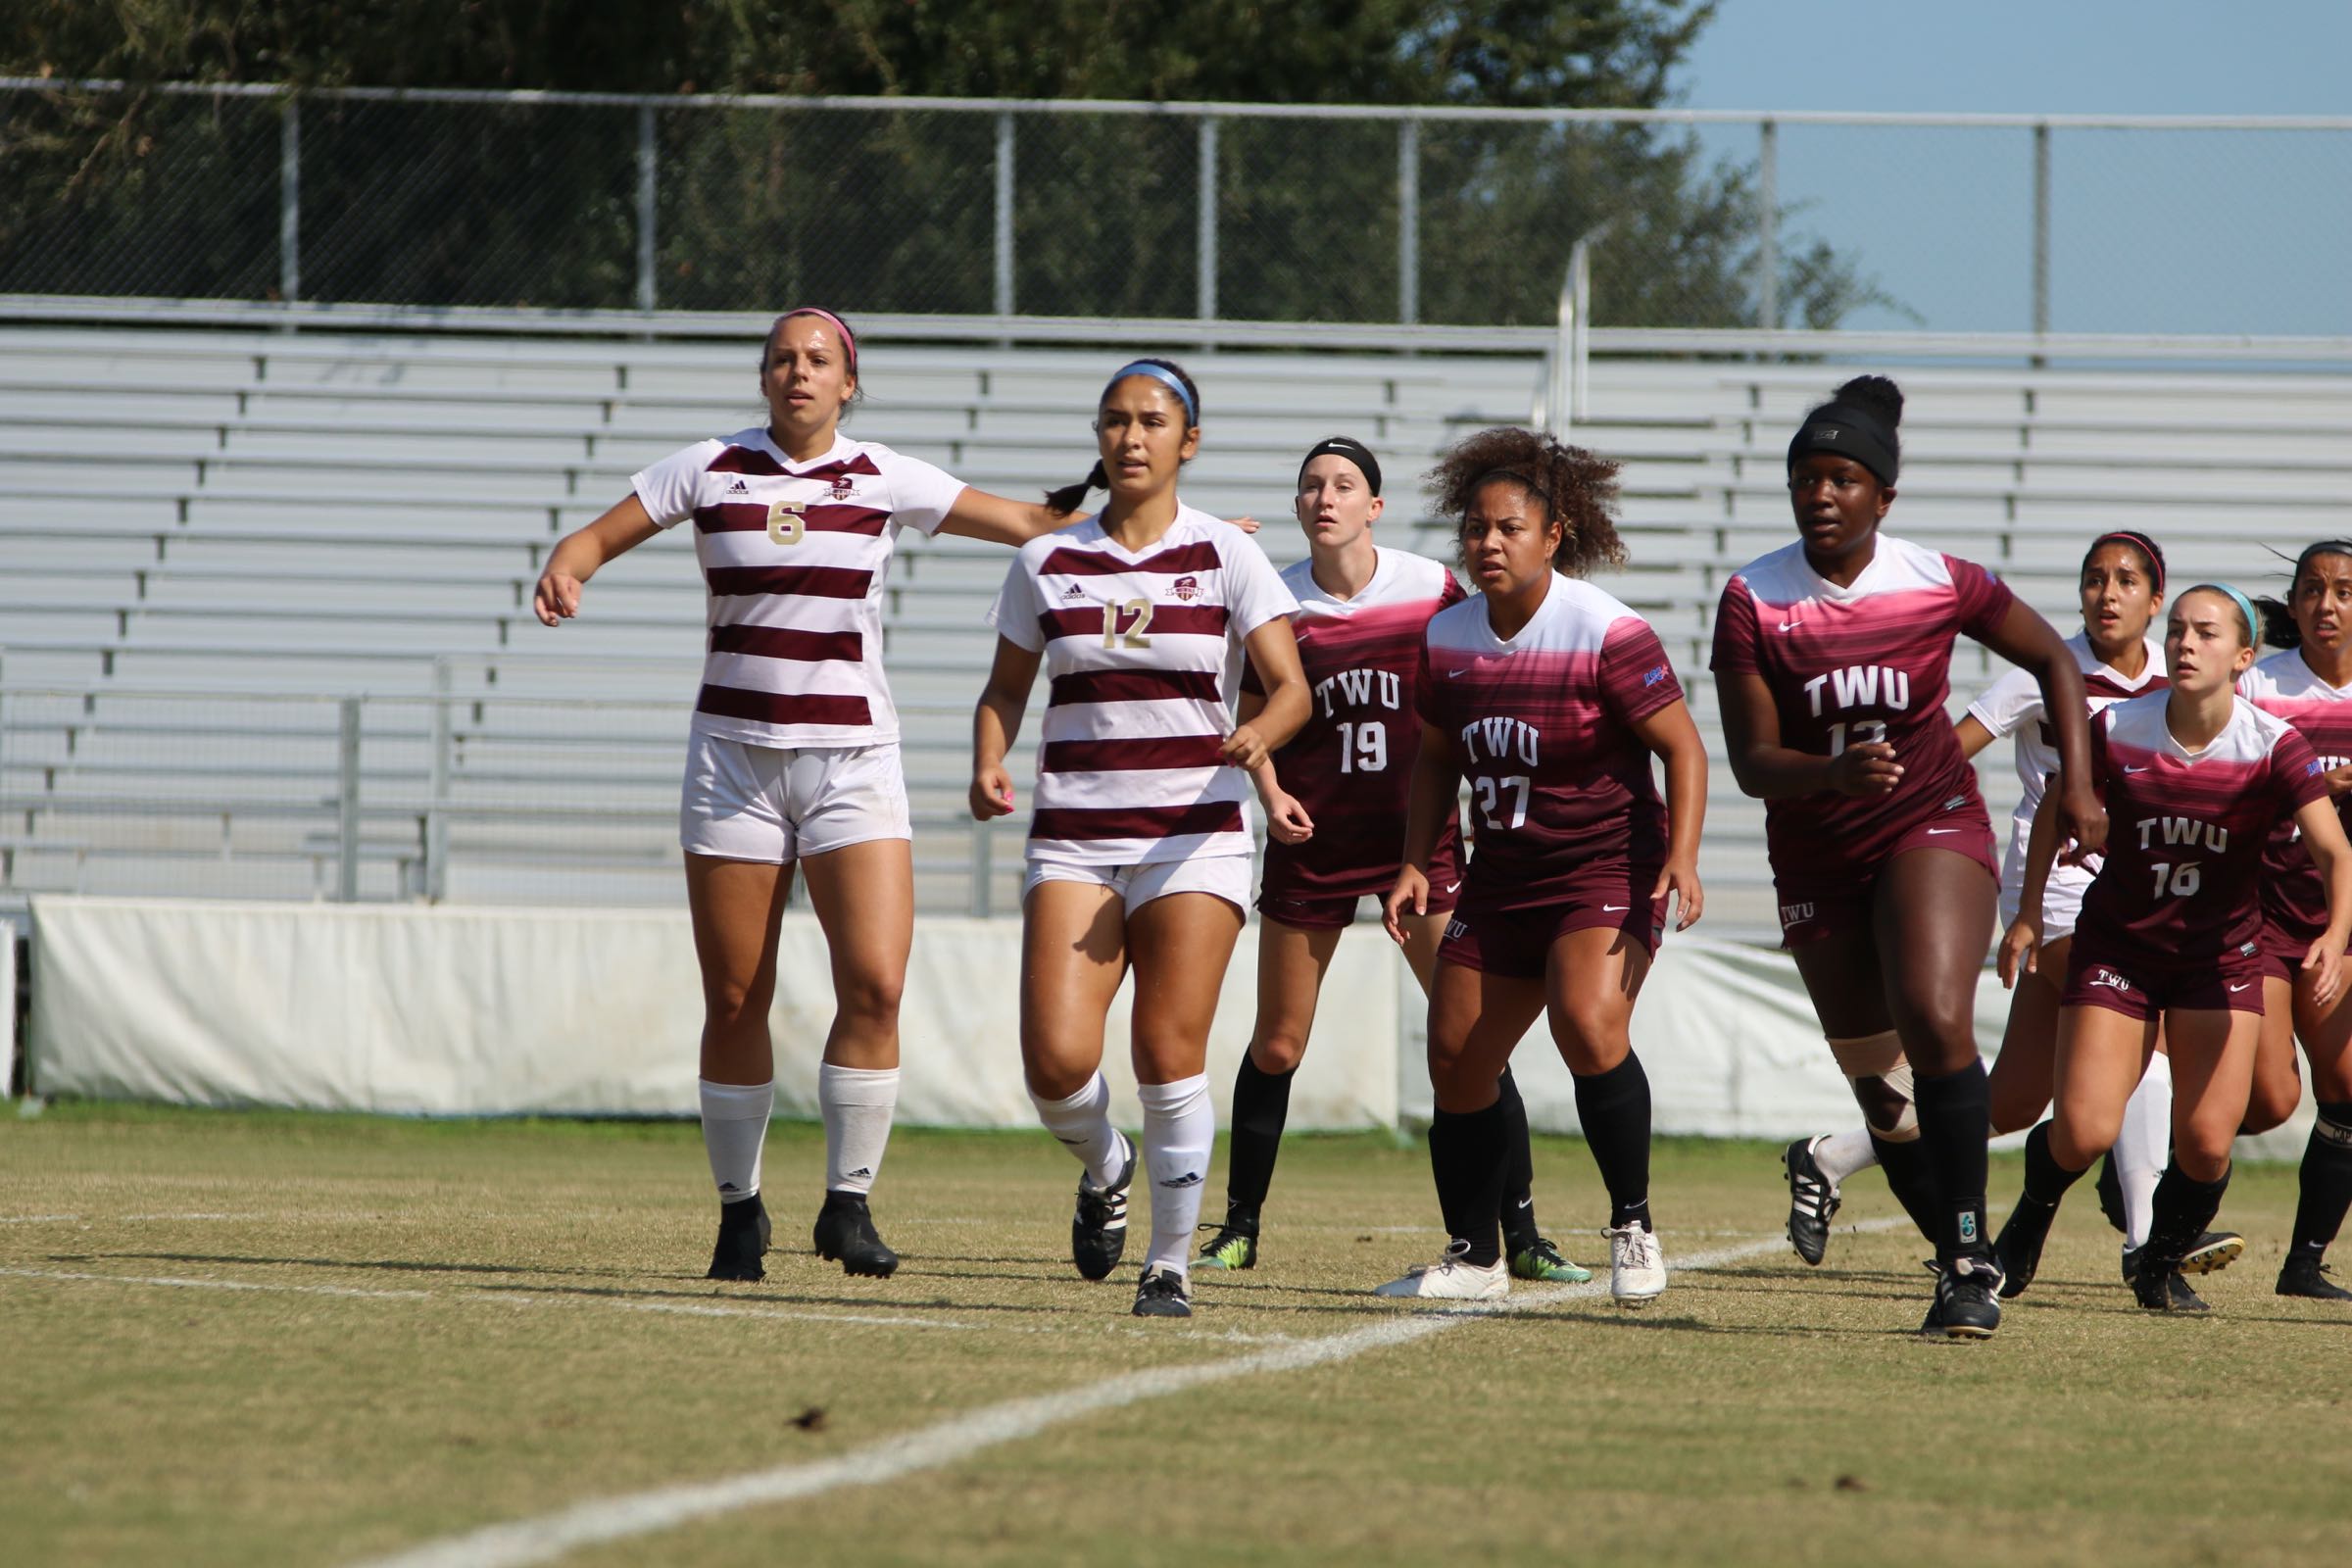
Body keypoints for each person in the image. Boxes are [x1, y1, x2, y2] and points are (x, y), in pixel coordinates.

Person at [533, 309, 1146, 1285]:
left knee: (877, 983)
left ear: (848, 383)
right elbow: (594, 536)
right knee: (736, 994)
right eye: (782, 358)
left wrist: (1149, 513)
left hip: (853, 762)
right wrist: (567, 568)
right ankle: (740, 1212)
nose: (798, 372)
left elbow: (1030, 525)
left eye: (819, 360)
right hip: (733, 762)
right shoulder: (708, 466)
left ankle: (847, 1205)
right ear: (765, 377)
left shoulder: (882, 475)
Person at [1712, 374, 2101, 1340]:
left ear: (1883, 495)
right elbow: (1757, 764)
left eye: (1844, 477)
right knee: (1886, 1102)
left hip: (1928, 821)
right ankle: (1959, 1259)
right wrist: (1830, 773)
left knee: (1935, 1016)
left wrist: (2083, 783)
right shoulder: (1753, 597)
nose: (1823, 493)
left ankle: (1971, 1264)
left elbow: (2055, 658)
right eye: (1807, 476)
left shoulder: (1937, 578)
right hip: (1814, 852)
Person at [1195, 436, 1590, 1285]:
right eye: (1309, 486)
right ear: (1297, 506)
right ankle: (1239, 1227)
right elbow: (1255, 715)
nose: (1324, 498)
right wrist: (1269, 794)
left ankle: (1520, 1232)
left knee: (1476, 1045)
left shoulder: (1430, 588)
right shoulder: (1275, 598)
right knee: (1277, 1041)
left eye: (1344, 485)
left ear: (1375, 506)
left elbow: (1480, 680)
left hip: (1419, 849)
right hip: (1315, 846)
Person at [1784, 531, 2218, 1283]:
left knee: (2011, 1102)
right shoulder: (2043, 670)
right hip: (2050, 887)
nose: (2106, 594)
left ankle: (1829, 1157)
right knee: (2141, 1026)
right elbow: (1949, 748)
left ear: (2156, 599)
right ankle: (2148, 1242)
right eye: (2093, 579)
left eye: (2126, 581)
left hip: (2137, 893)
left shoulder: (2174, 683)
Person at [970, 358, 1309, 1320]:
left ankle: (1169, 1265)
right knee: (1055, 1065)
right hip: (1074, 839)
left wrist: (1261, 734)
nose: (1130, 436)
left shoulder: (1226, 555)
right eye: (1115, 419)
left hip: (1194, 836)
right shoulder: (1047, 559)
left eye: (1152, 421)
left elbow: (1292, 689)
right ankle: (1106, 1164)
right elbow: (1004, 690)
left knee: (1168, 1051)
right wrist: (987, 758)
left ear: (1186, 441)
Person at [1373, 427, 1706, 1304]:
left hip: (1605, 864)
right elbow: (1437, 758)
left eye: (1509, 528)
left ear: (1553, 536)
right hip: (1503, 874)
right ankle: (1476, 1256)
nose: (1488, 542)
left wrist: (1682, 857)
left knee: (1588, 1026)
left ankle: (1633, 1225)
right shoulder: (1446, 636)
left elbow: (1683, 748)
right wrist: (1415, 862)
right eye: (1476, 528)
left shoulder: (1604, 629)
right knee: (1455, 1056)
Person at [1990, 585, 2352, 1313]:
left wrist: (2336, 937)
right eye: (2179, 630)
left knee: (2207, 1147)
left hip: (2218, 963)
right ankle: (2026, 1222)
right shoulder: (2118, 725)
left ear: (2243, 658)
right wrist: (2028, 915)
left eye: (2207, 633)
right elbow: (2059, 802)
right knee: (2086, 1130)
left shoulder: (2272, 744)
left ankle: (2155, 1264)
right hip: (2119, 950)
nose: (2185, 643)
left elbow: (2333, 851)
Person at [2238, 541, 2352, 1302]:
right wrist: (2311, 785)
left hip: (2338, 918)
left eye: (2343, 589)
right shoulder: (2256, 688)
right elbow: (2219, 788)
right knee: (2266, 1099)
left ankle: (2303, 1262)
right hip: (2260, 911)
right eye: (2312, 589)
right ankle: (2136, 1165)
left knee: (2346, 1090)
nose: (2327, 604)